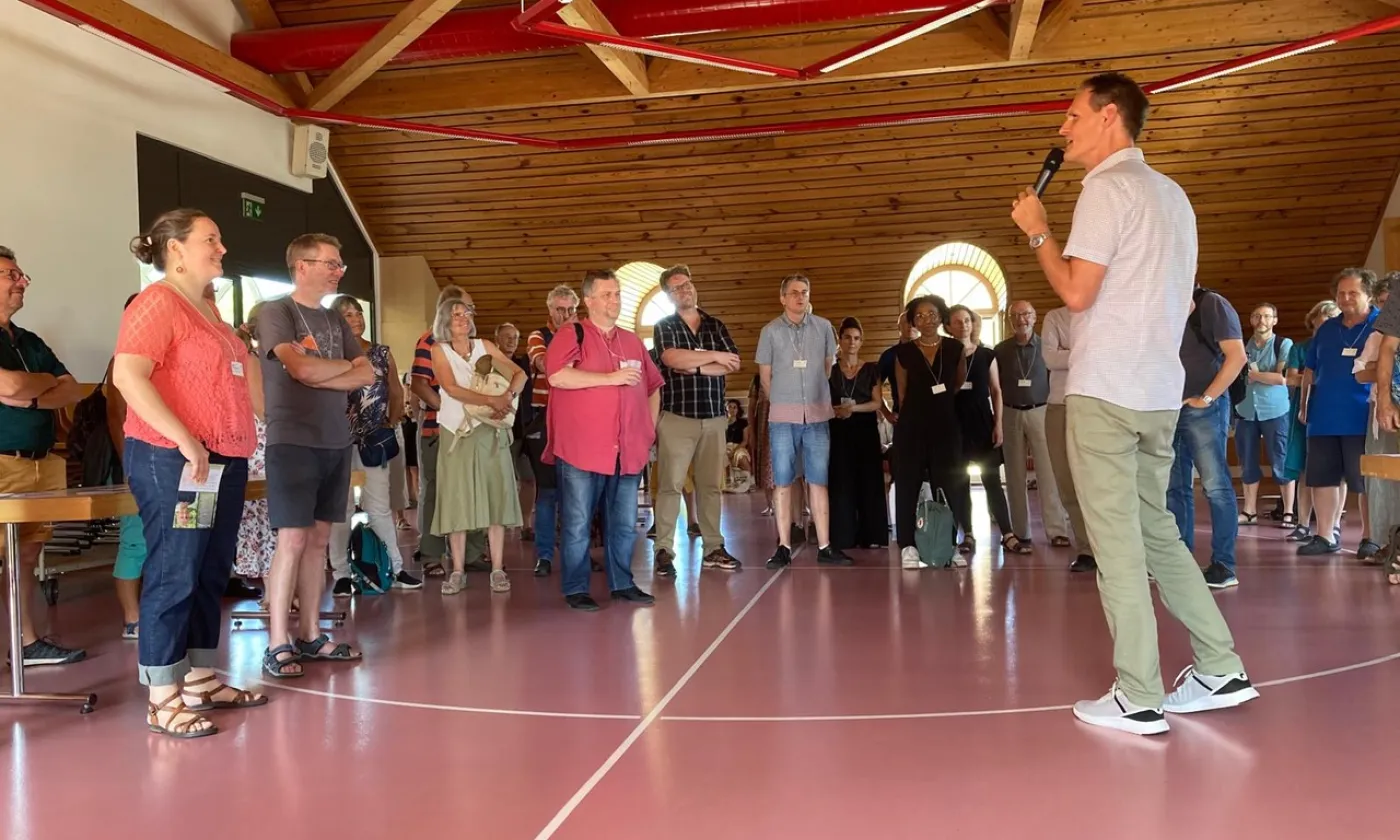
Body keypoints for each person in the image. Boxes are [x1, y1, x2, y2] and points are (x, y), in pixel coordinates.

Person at [1011, 71, 1255, 735]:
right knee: (1156, 532)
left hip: (1107, 391)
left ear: (1108, 115)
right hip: (1157, 393)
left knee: (1116, 543)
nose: (1063, 128)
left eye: (1072, 115)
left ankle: (1139, 694)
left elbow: (1076, 292)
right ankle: (1220, 665)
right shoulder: (1173, 196)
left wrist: (1037, 231)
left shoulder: (1105, 189)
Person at [115, 210, 265, 737]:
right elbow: (128, 375)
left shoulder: (209, 310)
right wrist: (184, 439)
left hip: (218, 460)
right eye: (211, 239)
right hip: (174, 459)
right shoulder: (157, 302)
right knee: (175, 569)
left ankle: (200, 678)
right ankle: (162, 696)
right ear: (175, 248)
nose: (221, 248)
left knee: (209, 569)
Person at [257, 234, 374, 678]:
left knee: (320, 540)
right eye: (330, 263)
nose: (338, 271)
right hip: (293, 440)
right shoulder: (277, 312)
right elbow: (299, 367)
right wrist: (332, 371)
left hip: (335, 440)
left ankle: (309, 634)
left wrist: (321, 373)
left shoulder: (334, 319)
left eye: (340, 264)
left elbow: (366, 373)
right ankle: (277, 642)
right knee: (292, 539)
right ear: (302, 266)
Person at [544, 270, 660, 610]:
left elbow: (653, 386)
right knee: (578, 523)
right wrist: (611, 378)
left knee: (624, 523)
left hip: (627, 449)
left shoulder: (632, 341)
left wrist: (648, 428)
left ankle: (622, 583)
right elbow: (557, 376)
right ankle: (576, 587)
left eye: (617, 293)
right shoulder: (572, 334)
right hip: (582, 449)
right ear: (589, 300)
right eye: (607, 294)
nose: (615, 300)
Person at [0, 246, 86, 667]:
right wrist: (36, 385)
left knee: (27, 557)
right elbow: (10, 386)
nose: (23, 282)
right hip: (3, 462)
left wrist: (31, 395)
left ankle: (27, 642)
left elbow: (71, 389)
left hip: (44, 462)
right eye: (11, 275)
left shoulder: (29, 340)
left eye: (21, 275)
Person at [650, 265, 743, 575]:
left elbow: (732, 362)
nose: (685, 290)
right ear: (669, 295)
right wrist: (713, 356)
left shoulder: (715, 325)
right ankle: (663, 549)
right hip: (677, 416)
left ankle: (713, 547)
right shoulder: (664, 326)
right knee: (670, 485)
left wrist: (697, 366)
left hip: (714, 418)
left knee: (710, 486)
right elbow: (671, 358)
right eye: (677, 287)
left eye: (687, 284)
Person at [431, 299, 528, 595]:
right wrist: (491, 400)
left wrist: (507, 397)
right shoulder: (439, 350)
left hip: (491, 430)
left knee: (495, 497)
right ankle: (457, 570)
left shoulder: (484, 345)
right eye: (456, 315)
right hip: (456, 431)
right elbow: (451, 388)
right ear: (444, 321)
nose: (463, 318)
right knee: (457, 499)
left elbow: (520, 374)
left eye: (467, 313)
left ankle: (497, 568)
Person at [326, 296, 420, 594]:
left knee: (378, 506)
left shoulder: (380, 353)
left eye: (358, 313)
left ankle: (396, 566)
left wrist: (389, 423)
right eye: (348, 315)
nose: (356, 319)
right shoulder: (330, 355)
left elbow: (396, 391)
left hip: (374, 439)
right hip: (338, 441)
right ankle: (341, 573)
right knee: (340, 509)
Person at [756, 274, 850, 568]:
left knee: (818, 480)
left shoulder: (823, 327)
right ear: (782, 298)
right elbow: (765, 378)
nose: (800, 297)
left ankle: (825, 546)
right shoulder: (770, 331)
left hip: (818, 414)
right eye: (794, 292)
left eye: (805, 292)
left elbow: (827, 367)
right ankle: (783, 546)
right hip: (783, 417)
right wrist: (784, 401)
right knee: (783, 481)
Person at [1167, 286, 1245, 589]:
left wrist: (1207, 398)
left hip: (1204, 408)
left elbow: (1236, 356)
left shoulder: (1211, 304)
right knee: (1174, 487)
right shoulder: (1162, 302)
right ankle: (1180, 560)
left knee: (1215, 486)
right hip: (1169, 408)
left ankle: (1224, 565)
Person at [1298, 268, 1378, 557]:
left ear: (1369, 294)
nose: (1345, 298)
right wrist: (1304, 405)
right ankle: (1325, 535)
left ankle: (1371, 537)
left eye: (1353, 293)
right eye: (1341, 293)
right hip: (1323, 417)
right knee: (1323, 477)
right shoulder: (1327, 329)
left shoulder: (1381, 325)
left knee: (1367, 482)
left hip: (1363, 416)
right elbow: (1310, 370)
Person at [411, 286, 487, 578]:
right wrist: (446, 410)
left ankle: (472, 553)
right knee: (436, 491)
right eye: (462, 308)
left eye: (469, 309)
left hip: (473, 428)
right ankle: (431, 553)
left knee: (473, 489)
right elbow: (419, 384)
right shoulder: (428, 340)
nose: (467, 314)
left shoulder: (475, 344)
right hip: (437, 429)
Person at [892, 295, 967, 569]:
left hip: (945, 426)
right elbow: (902, 394)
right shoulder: (903, 353)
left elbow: (957, 383)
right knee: (908, 484)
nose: (926, 320)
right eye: (920, 316)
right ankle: (908, 545)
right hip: (912, 427)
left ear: (941, 316)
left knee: (948, 485)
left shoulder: (955, 348)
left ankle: (949, 545)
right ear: (913, 321)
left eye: (932, 314)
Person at [994, 300, 1071, 552]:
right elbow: (995, 386)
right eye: (1015, 315)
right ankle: (1020, 531)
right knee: (1014, 475)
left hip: (1041, 411)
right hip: (1010, 414)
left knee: (1049, 473)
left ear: (1034, 317)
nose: (1021, 319)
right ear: (1009, 320)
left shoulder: (1046, 346)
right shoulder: (1000, 350)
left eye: (1026, 314)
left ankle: (1057, 531)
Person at [947, 305, 1012, 556]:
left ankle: (1007, 533)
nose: (963, 325)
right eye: (957, 321)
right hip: (956, 423)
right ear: (949, 326)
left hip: (983, 421)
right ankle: (968, 534)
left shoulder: (986, 354)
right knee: (960, 482)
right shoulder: (945, 354)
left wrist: (998, 424)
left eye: (967, 320)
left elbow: (996, 390)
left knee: (992, 479)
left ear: (972, 324)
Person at [524, 285, 580, 577]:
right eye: (560, 309)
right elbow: (546, 365)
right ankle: (544, 556)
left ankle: (577, 555)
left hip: (578, 420)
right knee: (547, 493)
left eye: (571, 309)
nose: (566, 315)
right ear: (550, 309)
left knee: (578, 493)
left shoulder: (584, 334)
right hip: (546, 420)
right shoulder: (538, 336)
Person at [1040, 305, 1095, 572]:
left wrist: (1068, 351)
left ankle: (1110, 547)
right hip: (1059, 405)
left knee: (1099, 482)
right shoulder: (1054, 317)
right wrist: (1088, 351)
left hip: (1097, 404)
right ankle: (1086, 549)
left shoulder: (1103, 311)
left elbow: (1110, 355)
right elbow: (1050, 359)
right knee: (1066, 481)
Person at [827, 317, 889, 550]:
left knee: (869, 480)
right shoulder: (831, 371)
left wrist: (852, 409)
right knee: (842, 481)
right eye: (847, 338)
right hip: (839, 429)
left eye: (856, 338)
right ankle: (843, 535)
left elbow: (876, 403)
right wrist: (836, 410)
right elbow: (821, 400)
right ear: (840, 340)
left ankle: (872, 534)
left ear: (861, 341)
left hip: (865, 428)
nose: (851, 342)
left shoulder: (871, 369)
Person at [1282, 301, 1340, 543]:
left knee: (1337, 470)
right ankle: (1303, 524)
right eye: (1319, 324)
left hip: (1336, 408)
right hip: (1305, 410)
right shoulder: (1300, 348)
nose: (1323, 328)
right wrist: (1319, 376)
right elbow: (1291, 379)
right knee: (1305, 468)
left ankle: (1334, 525)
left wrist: (1311, 376)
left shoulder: (1343, 345)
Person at [1235, 304, 1295, 531]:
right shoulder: (1242, 346)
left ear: (1275, 320)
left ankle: (1288, 511)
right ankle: (1249, 511)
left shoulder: (1283, 344)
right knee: (1247, 462)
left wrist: (1253, 375)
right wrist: (1263, 376)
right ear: (1251, 319)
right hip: (1246, 410)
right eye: (1257, 316)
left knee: (1281, 460)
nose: (1262, 320)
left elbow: (1281, 378)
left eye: (1267, 316)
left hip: (1276, 410)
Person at [496, 322, 536, 540]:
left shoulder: (524, 365)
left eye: (515, 337)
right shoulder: (490, 364)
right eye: (507, 336)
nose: (511, 341)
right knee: (500, 481)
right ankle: (494, 528)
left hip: (523, 430)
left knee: (528, 479)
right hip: (498, 431)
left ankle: (526, 524)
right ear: (497, 339)